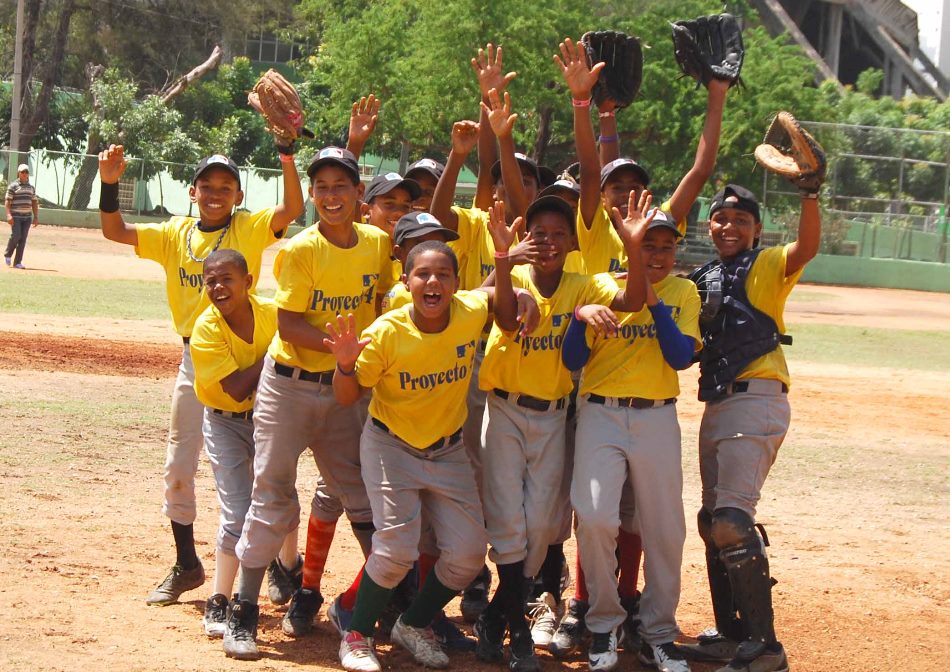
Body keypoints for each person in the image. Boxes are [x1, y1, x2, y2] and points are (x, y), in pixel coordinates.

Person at [97, 146, 303, 607]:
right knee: (178, 465)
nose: (215, 194)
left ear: (238, 194)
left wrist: (286, 154)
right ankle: (187, 563)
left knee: (261, 467)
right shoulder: (175, 233)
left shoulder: (247, 226)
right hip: (196, 359)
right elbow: (114, 229)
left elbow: (292, 208)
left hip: (249, 352)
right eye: (206, 187)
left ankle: (272, 563)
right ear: (192, 192)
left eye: (225, 188)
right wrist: (110, 182)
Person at [325, 240, 534, 672]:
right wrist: (345, 365)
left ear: (457, 284)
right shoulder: (386, 332)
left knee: (468, 554)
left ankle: (414, 623)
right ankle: (356, 634)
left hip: (447, 449)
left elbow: (496, 297)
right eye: (422, 274)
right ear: (406, 282)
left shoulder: (469, 310)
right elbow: (347, 397)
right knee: (397, 548)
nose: (433, 282)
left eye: (443, 274)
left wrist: (524, 296)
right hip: (391, 445)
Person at [223, 146, 394, 658]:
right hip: (291, 386)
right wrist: (336, 347)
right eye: (321, 188)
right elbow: (290, 325)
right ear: (313, 195)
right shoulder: (300, 250)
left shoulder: (379, 244)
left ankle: (376, 605)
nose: (330, 195)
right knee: (272, 492)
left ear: (360, 194)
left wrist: (355, 358)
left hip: (345, 390)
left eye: (341, 185)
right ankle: (244, 612)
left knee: (361, 496)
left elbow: (386, 300)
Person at [474, 192, 650, 672]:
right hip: (506, 410)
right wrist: (505, 261)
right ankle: (519, 638)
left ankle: (495, 617)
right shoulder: (510, 279)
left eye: (558, 233)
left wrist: (632, 249)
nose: (549, 241)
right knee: (512, 524)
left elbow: (633, 299)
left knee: (543, 529)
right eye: (539, 233)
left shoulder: (583, 282)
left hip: (553, 416)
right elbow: (506, 317)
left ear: (573, 240)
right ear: (526, 237)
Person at [678, 183, 820, 672]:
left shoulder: (766, 265)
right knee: (711, 521)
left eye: (741, 220)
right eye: (720, 218)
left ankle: (765, 646)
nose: (729, 226)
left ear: (758, 229)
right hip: (719, 403)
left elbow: (807, 248)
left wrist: (811, 196)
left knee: (731, 521)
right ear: (707, 226)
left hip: (756, 398)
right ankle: (732, 634)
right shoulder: (703, 275)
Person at [562, 204, 702, 672]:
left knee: (665, 530)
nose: (656, 254)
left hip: (657, 416)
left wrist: (655, 301)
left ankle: (659, 632)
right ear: (629, 243)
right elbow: (572, 358)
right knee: (596, 517)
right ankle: (603, 622)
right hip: (601, 412)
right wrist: (581, 315)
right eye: (646, 244)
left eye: (665, 246)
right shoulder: (600, 285)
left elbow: (681, 357)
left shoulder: (685, 291)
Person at [188, 249, 299, 646]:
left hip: (270, 418)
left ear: (248, 282)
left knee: (284, 501)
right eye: (210, 280)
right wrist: (274, 355)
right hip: (225, 422)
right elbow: (235, 388)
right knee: (238, 512)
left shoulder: (270, 313)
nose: (218, 287)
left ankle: (289, 568)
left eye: (227, 279)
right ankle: (220, 598)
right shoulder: (206, 328)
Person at [5, 163, 40, 269]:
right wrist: (8, 215)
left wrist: (36, 217)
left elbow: (34, 202)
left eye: (26, 172)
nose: (25, 174)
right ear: (19, 173)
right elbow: (7, 201)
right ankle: (8, 254)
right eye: (23, 172)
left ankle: (17, 262)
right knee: (16, 236)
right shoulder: (13, 186)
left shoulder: (31, 188)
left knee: (23, 239)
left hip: (27, 217)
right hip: (16, 216)